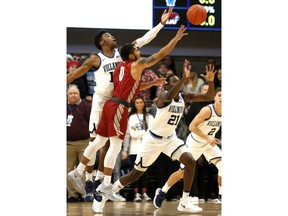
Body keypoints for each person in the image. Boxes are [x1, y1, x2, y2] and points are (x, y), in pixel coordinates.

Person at [67, 7, 172, 202]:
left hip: (118, 100)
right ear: (101, 42)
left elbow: (145, 39)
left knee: (107, 144)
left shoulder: (122, 53)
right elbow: (74, 75)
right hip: (101, 101)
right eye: (108, 35)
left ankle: (99, 180)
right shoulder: (94, 59)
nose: (113, 37)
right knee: (96, 141)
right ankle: (88, 180)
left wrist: (161, 24)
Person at [84, 25, 189, 213]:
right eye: (137, 50)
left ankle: (100, 182)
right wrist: (176, 39)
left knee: (105, 143)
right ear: (131, 56)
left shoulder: (120, 68)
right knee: (116, 151)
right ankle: (102, 184)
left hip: (118, 106)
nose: (139, 51)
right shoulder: (136, 65)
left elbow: (131, 86)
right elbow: (158, 55)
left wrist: (152, 82)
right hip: (123, 110)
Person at [103, 59, 216, 214]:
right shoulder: (164, 97)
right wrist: (183, 77)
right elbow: (171, 93)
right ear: (168, 85)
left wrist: (210, 81)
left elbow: (208, 96)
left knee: (190, 162)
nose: (179, 83)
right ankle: (109, 191)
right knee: (135, 174)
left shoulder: (185, 96)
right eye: (175, 81)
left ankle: (184, 201)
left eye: (179, 81)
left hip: (170, 139)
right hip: (152, 140)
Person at [153, 88, 222, 208]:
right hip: (195, 142)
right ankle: (162, 191)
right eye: (219, 95)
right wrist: (208, 138)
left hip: (208, 143)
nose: (222, 98)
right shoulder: (207, 110)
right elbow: (191, 127)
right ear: (214, 98)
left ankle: (221, 194)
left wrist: (209, 139)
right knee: (182, 172)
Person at [122, 96, 154, 202]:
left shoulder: (149, 117)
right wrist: (145, 132)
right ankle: (136, 194)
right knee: (134, 172)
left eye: (141, 102)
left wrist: (139, 132)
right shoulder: (131, 118)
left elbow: (153, 132)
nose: (139, 104)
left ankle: (144, 193)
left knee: (145, 172)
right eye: (137, 102)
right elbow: (131, 134)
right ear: (134, 104)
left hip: (147, 149)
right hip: (134, 149)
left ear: (144, 104)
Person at [66, 85, 92, 201]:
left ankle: (84, 193)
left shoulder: (86, 106)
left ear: (79, 95)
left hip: (84, 143)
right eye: (71, 93)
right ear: (67, 95)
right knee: (68, 170)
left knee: (84, 169)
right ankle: (72, 195)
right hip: (67, 144)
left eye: (75, 93)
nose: (73, 95)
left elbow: (92, 123)